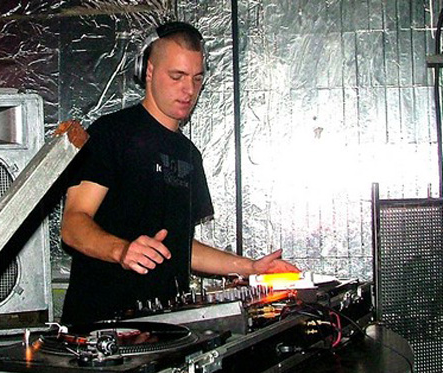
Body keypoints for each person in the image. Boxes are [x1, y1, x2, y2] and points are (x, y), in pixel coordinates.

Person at [60, 21, 298, 326]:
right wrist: (122, 251)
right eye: (177, 76)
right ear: (148, 71)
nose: (189, 90)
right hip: (101, 327)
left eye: (197, 78)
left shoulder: (189, 155)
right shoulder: (110, 135)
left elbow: (181, 250)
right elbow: (73, 225)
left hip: (166, 328)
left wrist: (251, 268)